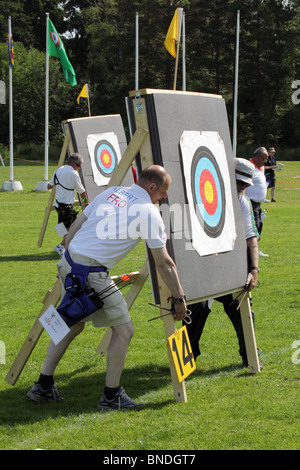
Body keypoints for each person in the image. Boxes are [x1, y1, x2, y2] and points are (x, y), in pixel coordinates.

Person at [27, 165, 187, 410]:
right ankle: (111, 396)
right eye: (164, 191)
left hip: (70, 264)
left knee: (72, 321)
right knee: (124, 330)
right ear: (152, 187)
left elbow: (76, 226)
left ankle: (43, 385)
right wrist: (179, 297)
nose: (165, 196)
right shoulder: (148, 212)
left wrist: (69, 260)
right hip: (90, 271)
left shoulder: (112, 192)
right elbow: (164, 262)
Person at [185, 158, 262, 369]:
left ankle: (251, 355)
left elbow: (250, 237)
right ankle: (186, 360)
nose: (242, 188)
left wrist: (253, 269)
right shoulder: (199, 196)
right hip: (200, 264)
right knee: (194, 309)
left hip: (228, 267)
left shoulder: (242, 201)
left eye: (245, 184)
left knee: (242, 308)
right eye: (239, 182)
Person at [47, 153, 89, 258]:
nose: (79, 168)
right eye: (78, 165)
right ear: (71, 162)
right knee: (73, 229)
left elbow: (49, 186)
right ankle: (61, 246)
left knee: (66, 228)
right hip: (66, 206)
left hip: (58, 204)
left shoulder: (59, 170)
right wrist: (86, 204)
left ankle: (67, 247)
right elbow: (82, 191)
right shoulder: (73, 174)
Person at [245, 147, 269, 257]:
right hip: (251, 203)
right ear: (257, 157)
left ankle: (255, 248)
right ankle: (250, 250)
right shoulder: (249, 168)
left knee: (259, 225)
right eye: (264, 159)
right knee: (254, 227)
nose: (265, 161)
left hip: (258, 204)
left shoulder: (260, 168)